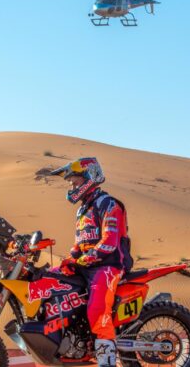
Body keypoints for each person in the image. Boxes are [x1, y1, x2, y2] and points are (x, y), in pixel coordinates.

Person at [50, 157, 133, 367]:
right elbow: (80, 243)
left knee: (97, 309)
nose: (72, 186)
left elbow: (110, 242)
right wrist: (72, 257)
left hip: (108, 266)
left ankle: (107, 362)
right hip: (88, 265)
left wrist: (87, 258)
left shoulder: (108, 204)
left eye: (75, 182)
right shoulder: (82, 209)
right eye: (70, 183)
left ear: (89, 178)